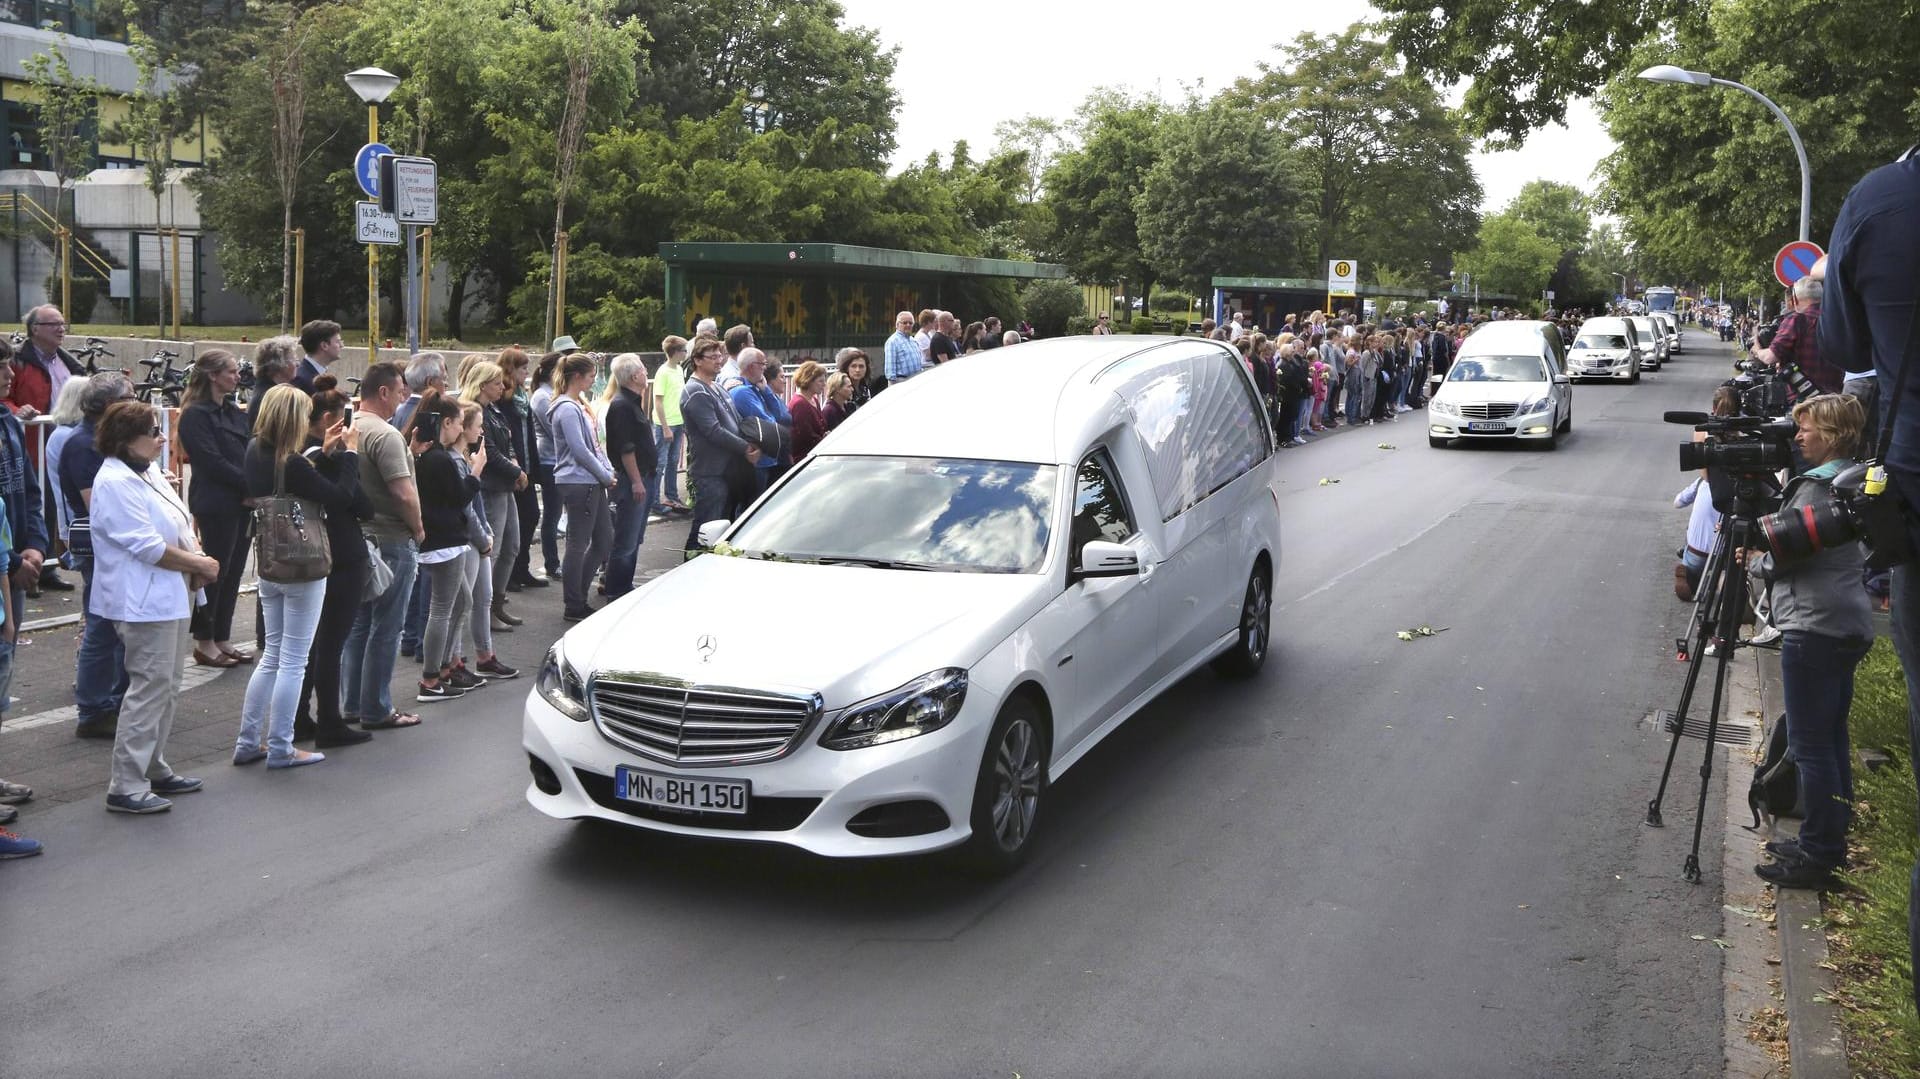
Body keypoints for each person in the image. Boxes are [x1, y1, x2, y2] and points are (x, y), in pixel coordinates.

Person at [1745, 395, 1874, 889]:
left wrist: (1755, 563)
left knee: (1811, 745)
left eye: (1808, 430)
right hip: (1847, 620)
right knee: (1831, 738)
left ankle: (1820, 854)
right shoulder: (1857, 477)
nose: (1798, 437)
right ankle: (1828, 837)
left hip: (1814, 624)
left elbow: (1789, 553)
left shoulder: (1818, 488)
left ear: (1834, 434)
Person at [90, 399, 216, 814]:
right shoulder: (115, 481)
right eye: (154, 433)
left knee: (168, 684)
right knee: (149, 687)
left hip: (170, 593)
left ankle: (153, 765)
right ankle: (126, 783)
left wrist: (193, 559)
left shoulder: (144, 472)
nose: (163, 439)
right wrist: (197, 562)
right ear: (127, 440)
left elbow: (178, 521)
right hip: (142, 599)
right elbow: (145, 545)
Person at [231, 385, 353, 769]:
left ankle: (249, 739)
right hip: (303, 561)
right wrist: (348, 456)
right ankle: (281, 745)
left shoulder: (256, 451)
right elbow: (338, 497)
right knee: (294, 661)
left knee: (272, 656)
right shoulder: (292, 462)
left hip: (271, 558)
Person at [340, 360, 425, 731]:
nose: (405, 397)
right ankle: (377, 708)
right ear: (385, 391)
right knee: (386, 626)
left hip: (359, 538)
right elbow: (402, 492)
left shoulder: (350, 428)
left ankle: (353, 704)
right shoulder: (386, 435)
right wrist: (419, 528)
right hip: (390, 538)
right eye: (401, 390)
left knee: (358, 624)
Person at [290, 377, 374, 748]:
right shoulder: (322, 459)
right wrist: (351, 456)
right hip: (339, 554)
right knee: (330, 643)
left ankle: (298, 718)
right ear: (328, 421)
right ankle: (329, 721)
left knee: (307, 644)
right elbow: (356, 502)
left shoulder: (295, 456)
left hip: (310, 554)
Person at [58, 373, 135, 739]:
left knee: (116, 628)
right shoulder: (83, 444)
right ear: (108, 406)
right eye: (130, 398)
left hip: (115, 548)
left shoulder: (104, 440)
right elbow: (99, 505)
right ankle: (93, 708)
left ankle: (113, 699)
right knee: (102, 627)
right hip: (101, 550)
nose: (137, 404)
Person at [178, 349, 256, 668]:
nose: (237, 377)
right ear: (212, 375)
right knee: (214, 573)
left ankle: (222, 636)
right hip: (217, 502)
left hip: (241, 502)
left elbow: (249, 449)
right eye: (232, 371)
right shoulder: (196, 415)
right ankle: (205, 639)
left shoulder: (233, 411)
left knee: (234, 572)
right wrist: (248, 487)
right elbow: (211, 461)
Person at [407, 391, 483, 702]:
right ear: (447, 423)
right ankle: (430, 677)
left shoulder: (426, 454)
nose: (460, 431)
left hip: (444, 538)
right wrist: (476, 471)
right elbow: (459, 496)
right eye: (459, 424)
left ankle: (444, 666)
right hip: (444, 541)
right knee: (442, 608)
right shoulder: (436, 457)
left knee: (462, 601)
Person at [547, 353, 614, 621]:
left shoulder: (576, 404)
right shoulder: (566, 408)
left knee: (603, 539)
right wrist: (605, 475)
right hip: (579, 481)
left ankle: (578, 596)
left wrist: (605, 472)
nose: (593, 381)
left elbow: (593, 445)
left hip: (588, 480)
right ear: (577, 377)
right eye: (590, 377)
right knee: (578, 543)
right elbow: (580, 450)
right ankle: (573, 602)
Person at [461, 360, 526, 631]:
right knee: (492, 548)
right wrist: (515, 471)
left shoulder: (494, 410)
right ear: (483, 384)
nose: (502, 387)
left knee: (512, 545)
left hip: (504, 485)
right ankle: (484, 610)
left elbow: (506, 443)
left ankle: (497, 603)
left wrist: (515, 467)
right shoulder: (474, 411)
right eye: (497, 382)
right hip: (490, 486)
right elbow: (487, 451)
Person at [681, 335, 758, 555]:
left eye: (720, 355)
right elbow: (713, 431)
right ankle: (689, 571)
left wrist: (752, 440)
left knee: (722, 528)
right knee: (705, 528)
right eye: (712, 356)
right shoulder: (695, 391)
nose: (719, 360)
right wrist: (746, 447)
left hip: (727, 470)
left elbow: (735, 420)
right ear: (697, 360)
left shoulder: (715, 386)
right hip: (710, 472)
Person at [0, 349, 50, 663]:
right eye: (0, 367)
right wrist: (14, 562)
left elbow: (30, 492)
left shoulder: (10, 423)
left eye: (8, 365)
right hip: (8, 565)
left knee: (6, 663)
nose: (10, 375)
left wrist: (35, 544)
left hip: (15, 566)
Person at [602, 353, 657, 600]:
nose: (646, 374)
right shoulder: (622, 405)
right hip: (632, 480)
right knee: (626, 538)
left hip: (642, 477)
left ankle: (624, 586)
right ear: (635, 376)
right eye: (644, 370)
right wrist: (636, 480)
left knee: (634, 537)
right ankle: (616, 590)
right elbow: (626, 448)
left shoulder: (632, 401)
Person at [528, 351, 564, 583]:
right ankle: (552, 563)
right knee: (552, 514)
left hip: (557, 459)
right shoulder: (542, 396)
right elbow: (555, 430)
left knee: (556, 512)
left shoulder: (552, 394)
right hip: (549, 460)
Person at [653, 336, 690, 515]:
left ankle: (671, 496)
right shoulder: (663, 372)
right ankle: (654, 500)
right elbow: (658, 401)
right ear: (675, 352)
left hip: (677, 421)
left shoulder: (678, 369)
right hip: (665, 424)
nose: (685, 353)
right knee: (660, 463)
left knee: (673, 461)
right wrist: (665, 427)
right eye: (684, 350)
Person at [789, 360, 830, 458]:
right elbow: (806, 435)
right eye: (820, 381)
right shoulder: (800, 404)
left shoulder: (814, 399)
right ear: (808, 380)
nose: (824, 385)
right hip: (803, 457)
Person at [293, 319, 343, 393]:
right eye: (338, 341)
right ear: (324, 346)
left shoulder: (316, 373)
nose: (342, 345)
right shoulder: (303, 380)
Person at [884, 310, 923, 385]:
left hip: (916, 380)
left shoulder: (913, 340)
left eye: (910, 323)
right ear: (897, 325)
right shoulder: (893, 341)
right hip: (901, 382)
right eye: (905, 323)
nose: (908, 325)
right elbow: (890, 371)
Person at [833, 348, 873, 416]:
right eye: (853, 366)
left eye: (861, 366)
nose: (857, 370)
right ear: (847, 368)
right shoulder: (840, 389)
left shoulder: (865, 390)